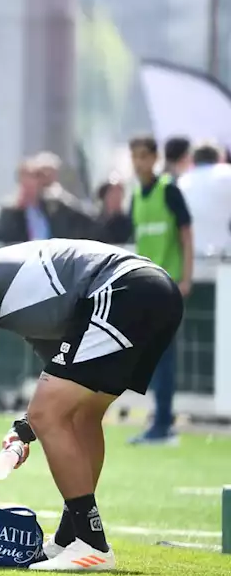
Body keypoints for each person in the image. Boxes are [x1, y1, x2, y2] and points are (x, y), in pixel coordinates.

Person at [0, 231, 184, 571]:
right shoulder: (6, 285)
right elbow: (58, 375)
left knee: (54, 415)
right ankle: (72, 537)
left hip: (124, 290)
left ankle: (92, 545)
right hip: (152, 291)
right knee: (81, 416)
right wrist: (25, 428)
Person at [126, 135, 192, 445]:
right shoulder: (137, 195)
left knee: (163, 358)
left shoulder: (169, 190)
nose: (139, 163)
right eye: (134, 157)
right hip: (147, 287)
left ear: (154, 158)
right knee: (151, 358)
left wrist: (186, 277)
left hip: (168, 286)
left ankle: (163, 426)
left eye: (143, 156)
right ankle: (160, 422)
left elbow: (186, 233)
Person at [177, 142, 231, 258]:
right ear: (220, 158)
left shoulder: (182, 181)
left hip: (193, 254)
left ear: (192, 160)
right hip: (226, 254)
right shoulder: (227, 174)